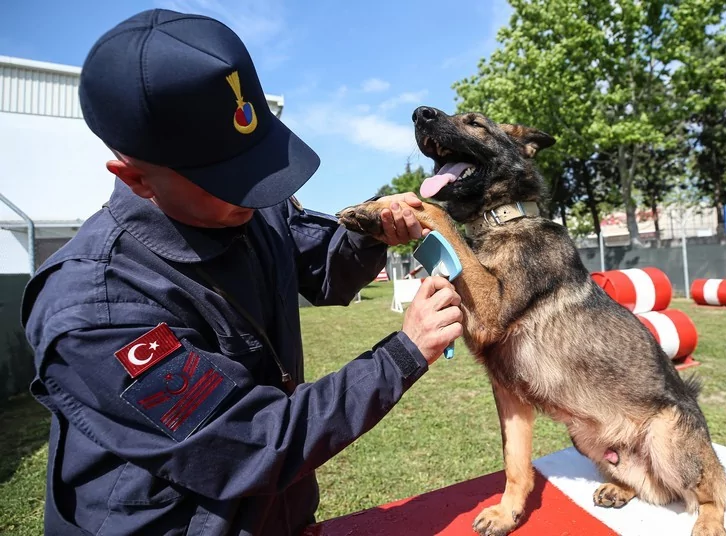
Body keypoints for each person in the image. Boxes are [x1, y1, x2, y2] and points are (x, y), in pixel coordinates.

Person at [21, 8, 463, 535]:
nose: (259, 195)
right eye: (230, 179)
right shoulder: (95, 306)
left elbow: (320, 265)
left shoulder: (249, 209)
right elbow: (250, 443)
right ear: (136, 178)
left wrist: (370, 229)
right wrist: (401, 354)